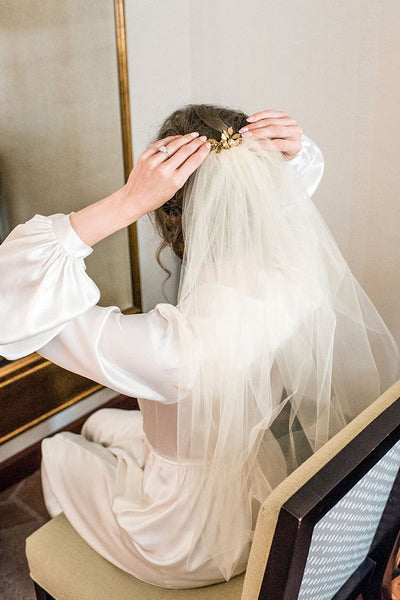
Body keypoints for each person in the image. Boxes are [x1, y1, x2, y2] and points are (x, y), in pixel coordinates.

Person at [0, 104, 398, 589]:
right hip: (256, 502)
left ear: (168, 218)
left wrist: (128, 200)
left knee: (58, 447)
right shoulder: (301, 278)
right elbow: (292, 204)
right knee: (105, 423)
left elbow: (10, 296)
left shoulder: (170, 351)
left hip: (180, 545)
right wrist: (295, 156)